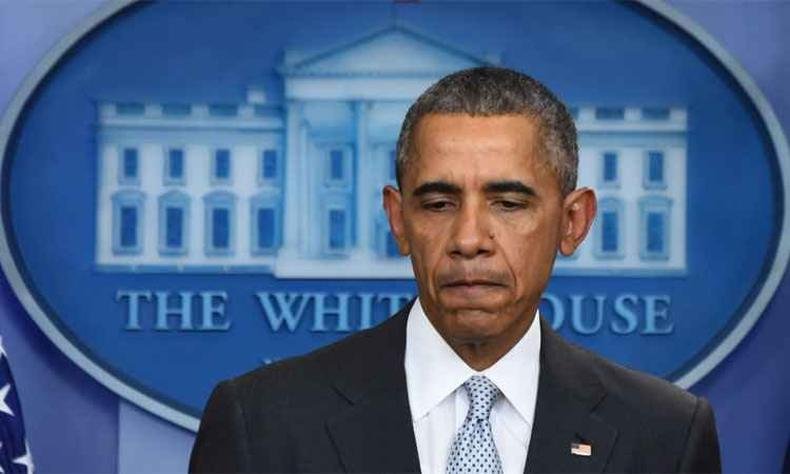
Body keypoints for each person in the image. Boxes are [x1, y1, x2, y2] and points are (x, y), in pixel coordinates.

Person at [189, 67, 721, 473]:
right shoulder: (261, 423)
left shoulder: (665, 434)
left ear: (573, 221)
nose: (469, 240)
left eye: (508, 203)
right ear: (399, 221)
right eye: (439, 204)